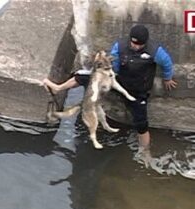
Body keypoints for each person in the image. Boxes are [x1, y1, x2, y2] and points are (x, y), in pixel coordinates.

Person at [43, 24, 177, 155]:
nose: (135, 46)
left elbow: (167, 63)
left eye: (139, 45)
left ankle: (145, 152)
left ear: (145, 43)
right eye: (133, 43)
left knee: (141, 124)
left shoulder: (155, 51)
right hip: (119, 81)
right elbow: (114, 62)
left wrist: (167, 78)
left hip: (138, 90)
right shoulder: (121, 46)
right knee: (83, 76)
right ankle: (58, 88)